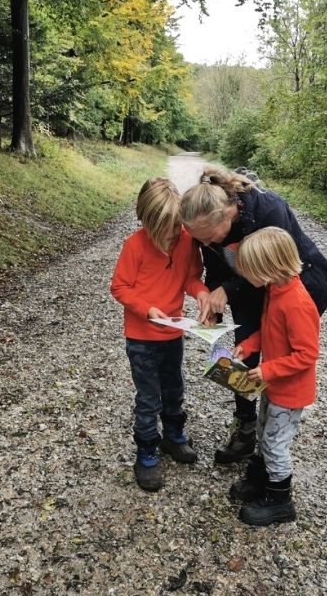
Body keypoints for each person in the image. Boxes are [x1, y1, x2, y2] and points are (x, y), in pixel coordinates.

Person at [179, 166, 327, 464]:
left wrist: (228, 289)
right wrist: (214, 304)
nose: (204, 243)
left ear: (227, 215)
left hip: (291, 286)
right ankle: (248, 428)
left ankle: (278, 432)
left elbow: (272, 266)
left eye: (208, 236)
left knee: (282, 349)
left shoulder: (268, 210)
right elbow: (215, 267)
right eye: (198, 240)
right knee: (244, 353)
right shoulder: (206, 231)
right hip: (251, 287)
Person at [110, 178, 210, 492]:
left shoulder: (185, 240)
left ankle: (174, 436)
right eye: (164, 230)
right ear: (145, 222)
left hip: (173, 335)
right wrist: (147, 309)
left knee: (174, 387)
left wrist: (202, 293)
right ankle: (146, 451)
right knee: (148, 397)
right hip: (141, 338)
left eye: (175, 226)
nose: (171, 235)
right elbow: (119, 287)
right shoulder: (135, 245)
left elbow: (191, 277)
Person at [230, 227, 320, 525]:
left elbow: (307, 354)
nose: (245, 277)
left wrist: (268, 369)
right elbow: (269, 333)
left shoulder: (296, 302)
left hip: (290, 392)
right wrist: (248, 346)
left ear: (269, 269)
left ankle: (280, 500)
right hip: (274, 386)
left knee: (274, 443)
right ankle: (259, 479)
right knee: (263, 432)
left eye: (249, 272)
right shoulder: (276, 291)